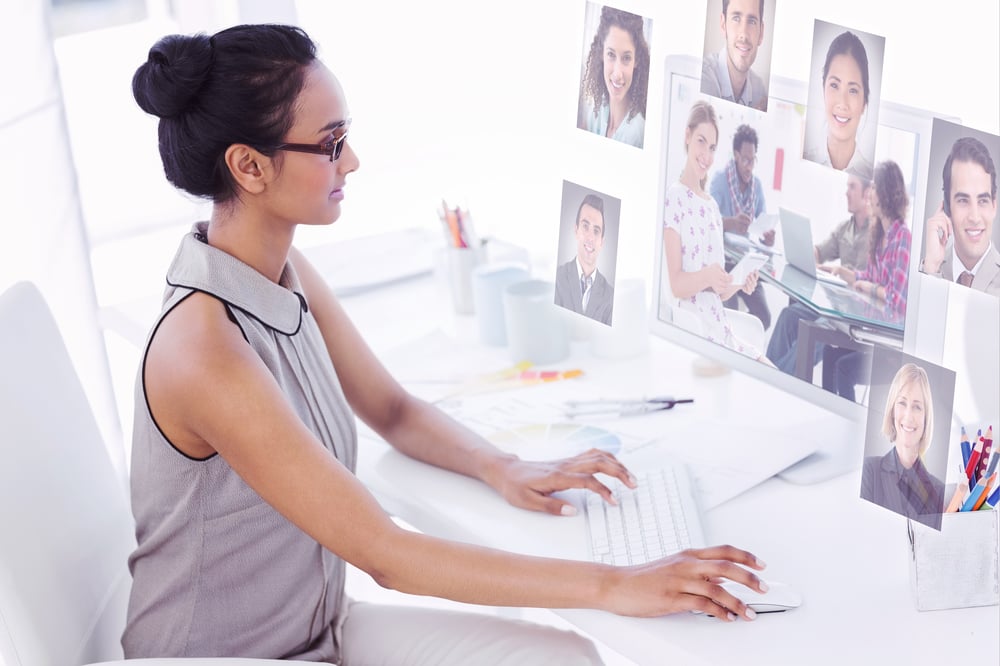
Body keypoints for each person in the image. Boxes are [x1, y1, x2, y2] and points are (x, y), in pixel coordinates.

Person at [124, 24, 767, 663]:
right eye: (332, 144)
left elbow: (393, 410)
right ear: (249, 166)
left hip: (319, 631)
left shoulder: (282, 274)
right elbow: (387, 555)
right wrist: (617, 584)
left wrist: (504, 466)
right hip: (218, 657)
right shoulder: (202, 350)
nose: (352, 161)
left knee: (565, 658)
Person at [662, 99, 771, 364]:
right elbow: (677, 285)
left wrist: (740, 282)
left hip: (722, 332)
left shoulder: (711, 207)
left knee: (772, 372)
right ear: (687, 136)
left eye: (712, 147)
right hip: (696, 331)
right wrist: (708, 275)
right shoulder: (674, 198)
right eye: (701, 141)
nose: (706, 155)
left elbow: (719, 292)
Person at [822, 160, 911, 401]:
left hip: (889, 348)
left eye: (874, 189)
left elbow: (897, 300)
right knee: (829, 353)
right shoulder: (880, 234)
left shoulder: (902, 237)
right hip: (872, 334)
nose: (869, 195)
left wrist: (869, 287)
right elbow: (867, 278)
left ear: (885, 193)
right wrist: (843, 273)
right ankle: (830, 417)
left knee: (843, 368)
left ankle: (846, 427)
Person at [765, 174, 872, 374]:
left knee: (810, 332)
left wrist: (842, 272)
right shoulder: (844, 229)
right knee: (788, 316)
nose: (846, 192)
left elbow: (876, 280)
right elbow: (819, 251)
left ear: (867, 193)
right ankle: (767, 373)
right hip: (833, 305)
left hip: (853, 316)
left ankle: (772, 380)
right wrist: (807, 253)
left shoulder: (877, 234)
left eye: (852, 187)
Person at [860, 363, 945, 525]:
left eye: (917, 407)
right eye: (902, 403)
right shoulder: (870, 470)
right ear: (892, 409)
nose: (908, 415)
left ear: (926, 418)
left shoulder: (938, 491)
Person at [709, 123, 775, 329]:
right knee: (727, 314)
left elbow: (762, 223)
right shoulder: (720, 181)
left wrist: (767, 237)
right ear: (736, 155)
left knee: (764, 318)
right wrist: (731, 222)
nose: (749, 166)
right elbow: (708, 223)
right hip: (724, 262)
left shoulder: (757, 186)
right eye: (745, 159)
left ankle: (742, 342)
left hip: (746, 263)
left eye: (752, 160)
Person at [921, 136, 1000, 297]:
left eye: (983, 200)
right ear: (947, 207)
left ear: (994, 206)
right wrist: (931, 269)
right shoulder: (929, 269)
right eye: (963, 200)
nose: (975, 217)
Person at [803, 30, 874, 181]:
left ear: (864, 103)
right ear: (823, 90)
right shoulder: (802, 160)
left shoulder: (872, 179)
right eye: (834, 85)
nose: (843, 103)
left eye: (853, 90)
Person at [578, 5, 650, 148]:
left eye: (626, 58)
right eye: (611, 54)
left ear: (636, 60)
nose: (617, 74)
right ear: (601, 54)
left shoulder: (637, 134)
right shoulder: (596, 112)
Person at [554, 193, 615, 324]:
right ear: (576, 230)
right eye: (585, 226)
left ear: (601, 242)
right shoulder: (557, 278)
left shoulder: (611, 297)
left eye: (596, 231)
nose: (590, 237)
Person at [700, 0, 769, 111]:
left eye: (751, 21)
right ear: (723, 25)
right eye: (736, 18)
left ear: (761, 33)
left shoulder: (760, 90)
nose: (744, 34)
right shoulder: (702, 78)